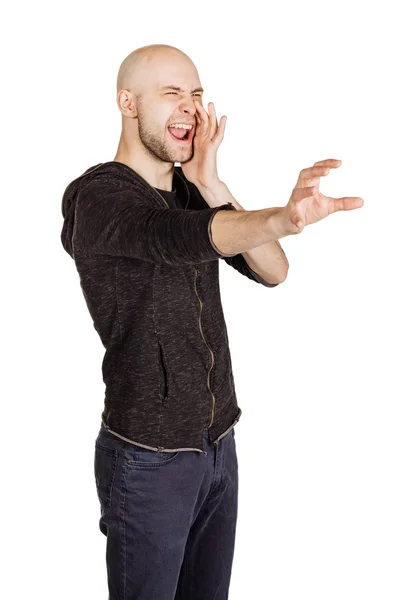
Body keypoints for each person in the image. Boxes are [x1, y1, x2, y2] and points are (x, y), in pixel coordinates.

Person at [60, 43, 364, 600]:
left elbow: (273, 270)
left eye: (197, 94)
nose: (190, 107)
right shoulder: (98, 198)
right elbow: (176, 238)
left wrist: (211, 183)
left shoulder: (190, 194)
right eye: (172, 92)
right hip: (149, 458)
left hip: (219, 445)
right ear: (127, 103)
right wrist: (282, 217)